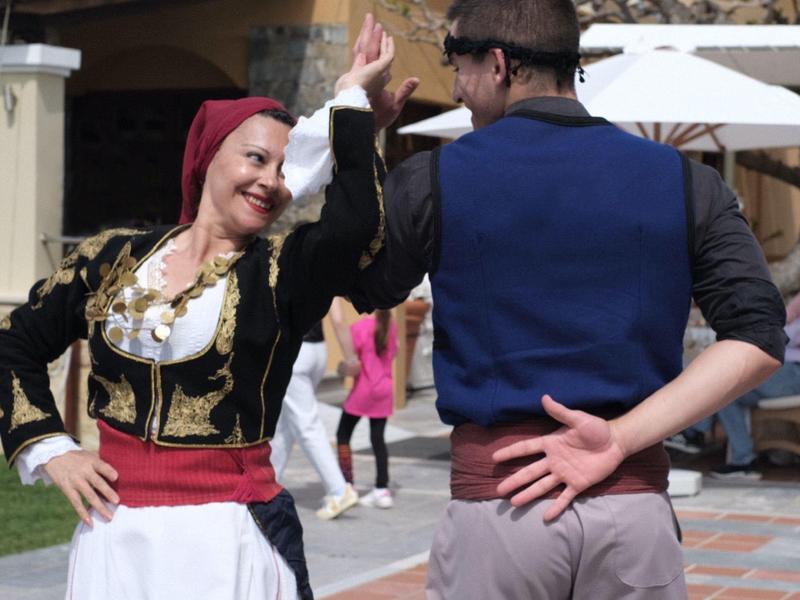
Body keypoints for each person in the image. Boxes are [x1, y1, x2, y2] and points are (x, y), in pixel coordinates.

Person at [333, 0, 786, 597]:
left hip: (502, 510)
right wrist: (622, 438)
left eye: (456, 63)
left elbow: (363, 283)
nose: (456, 88)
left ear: (497, 64)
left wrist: (356, 128)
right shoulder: (687, 180)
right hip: (631, 507)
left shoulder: (434, 178)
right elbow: (758, 336)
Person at [0, 16, 415, 600]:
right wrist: (51, 449)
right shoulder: (111, 257)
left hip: (227, 537)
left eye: (282, 169)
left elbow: (356, 229)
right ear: (208, 157)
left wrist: (353, 107)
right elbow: (12, 344)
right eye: (254, 159)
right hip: (113, 539)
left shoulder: (283, 273)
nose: (270, 181)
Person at [674, 294, 800, 480]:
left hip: (793, 373)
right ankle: (744, 462)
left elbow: (780, 332)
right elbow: (781, 320)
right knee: (727, 392)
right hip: (781, 370)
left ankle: (695, 433)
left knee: (727, 378)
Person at [270, 313, 359, 520]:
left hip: (294, 352)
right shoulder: (323, 277)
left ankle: (339, 489)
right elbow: (338, 318)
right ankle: (268, 484)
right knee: (287, 423)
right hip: (318, 352)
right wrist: (350, 358)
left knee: (306, 424)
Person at [334, 308, 398, 508]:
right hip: (385, 390)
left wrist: (340, 368)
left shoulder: (359, 328)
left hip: (363, 390)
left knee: (342, 435)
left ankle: (348, 484)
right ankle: (382, 489)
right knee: (378, 439)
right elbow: (392, 353)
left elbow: (352, 365)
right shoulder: (391, 327)